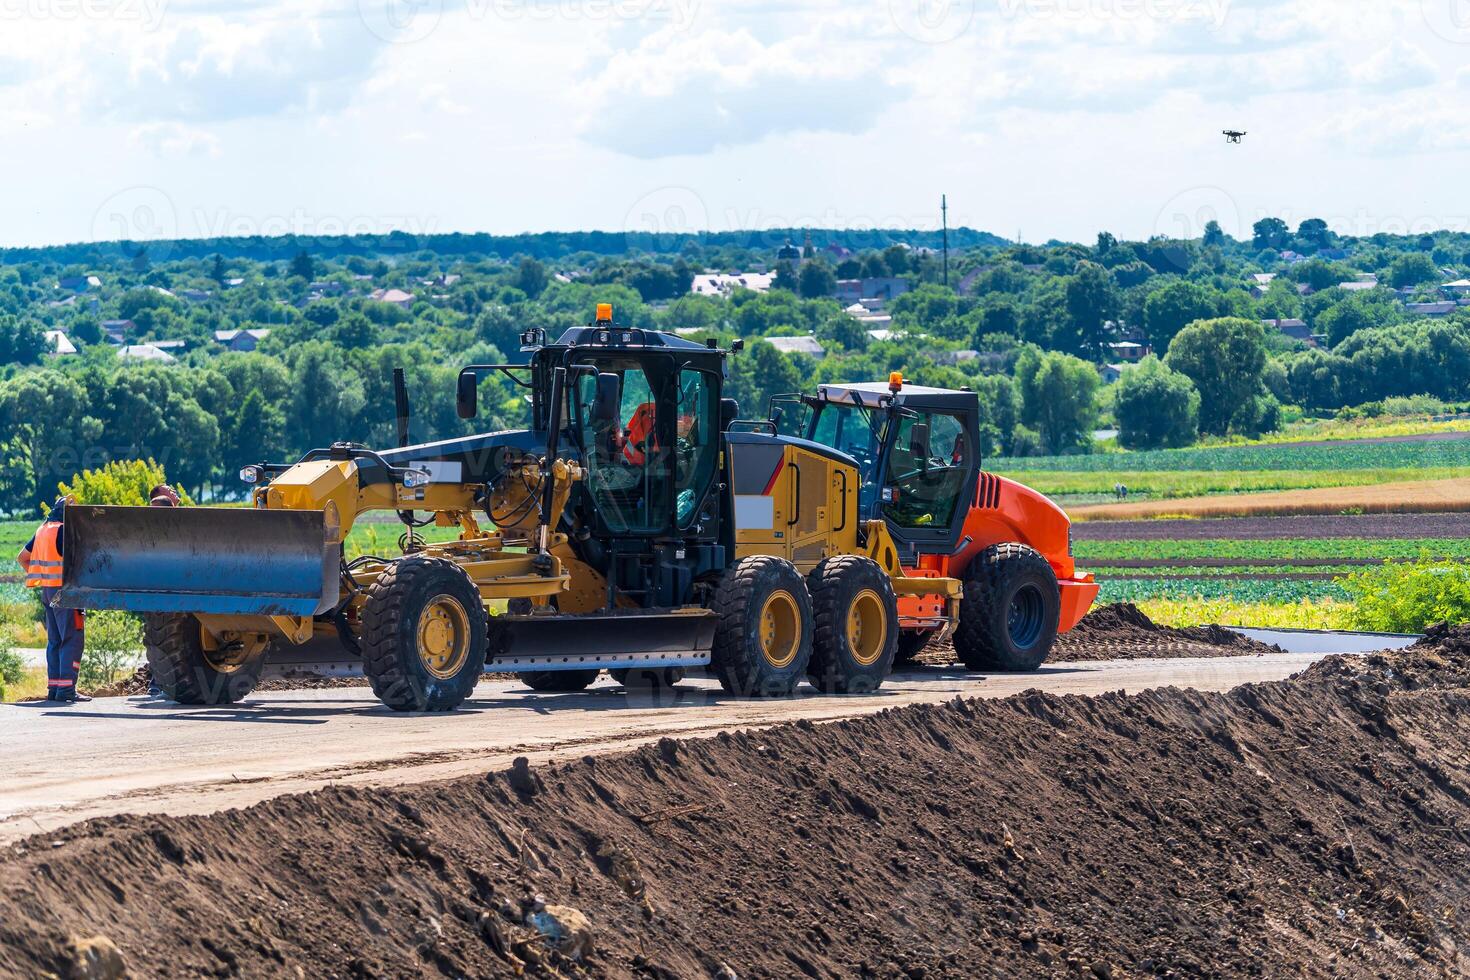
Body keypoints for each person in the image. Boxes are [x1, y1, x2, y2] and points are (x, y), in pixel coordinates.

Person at [17, 496, 89, 703]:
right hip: (66, 593)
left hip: (48, 591)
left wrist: (42, 576)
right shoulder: (65, 530)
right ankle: (67, 690)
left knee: (55, 640)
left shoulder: (43, 529)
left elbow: (23, 557)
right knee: (72, 639)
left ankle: (55, 688)